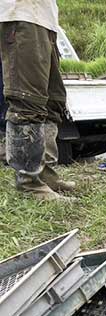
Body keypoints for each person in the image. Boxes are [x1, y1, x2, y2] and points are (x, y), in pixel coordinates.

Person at [0, 0, 75, 200]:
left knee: (53, 100)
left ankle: (45, 174)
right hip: (21, 14)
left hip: (45, 19)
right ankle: (29, 182)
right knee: (27, 99)